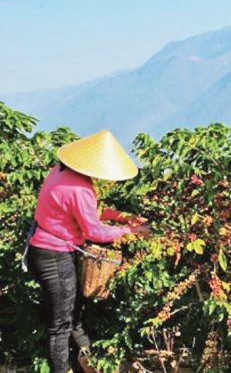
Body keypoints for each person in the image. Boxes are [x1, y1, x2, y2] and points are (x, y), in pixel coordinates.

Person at [26, 130, 150, 373]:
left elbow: (89, 210)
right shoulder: (80, 189)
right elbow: (95, 231)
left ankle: (83, 362)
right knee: (61, 325)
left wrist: (123, 217)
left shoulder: (60, 171)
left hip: (42, 249)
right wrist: (131, 231)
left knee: (70, 313)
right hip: (54, 256)